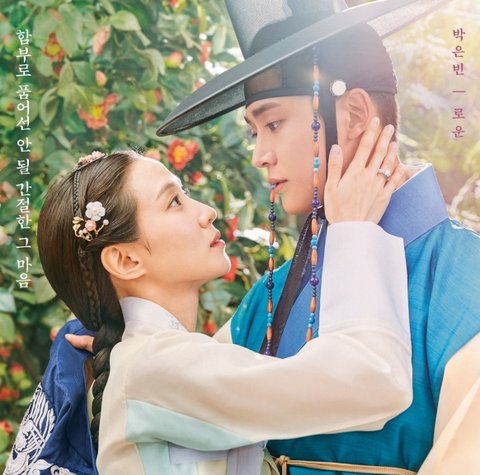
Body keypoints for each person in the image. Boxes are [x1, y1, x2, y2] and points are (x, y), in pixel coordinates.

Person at [156, 0, 480, 474]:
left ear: (354, 114)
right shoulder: (268, 296)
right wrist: (123, 338)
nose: (259, 155)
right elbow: (186, 407)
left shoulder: (467, 278)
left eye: (273, 124)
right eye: (253, 133)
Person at [7, 142, 410, 475]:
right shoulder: (155, 367)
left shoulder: (148, 364)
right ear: (126, 260)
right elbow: (372, 380)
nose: (206, 211)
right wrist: (355, 230)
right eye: (174, 202)